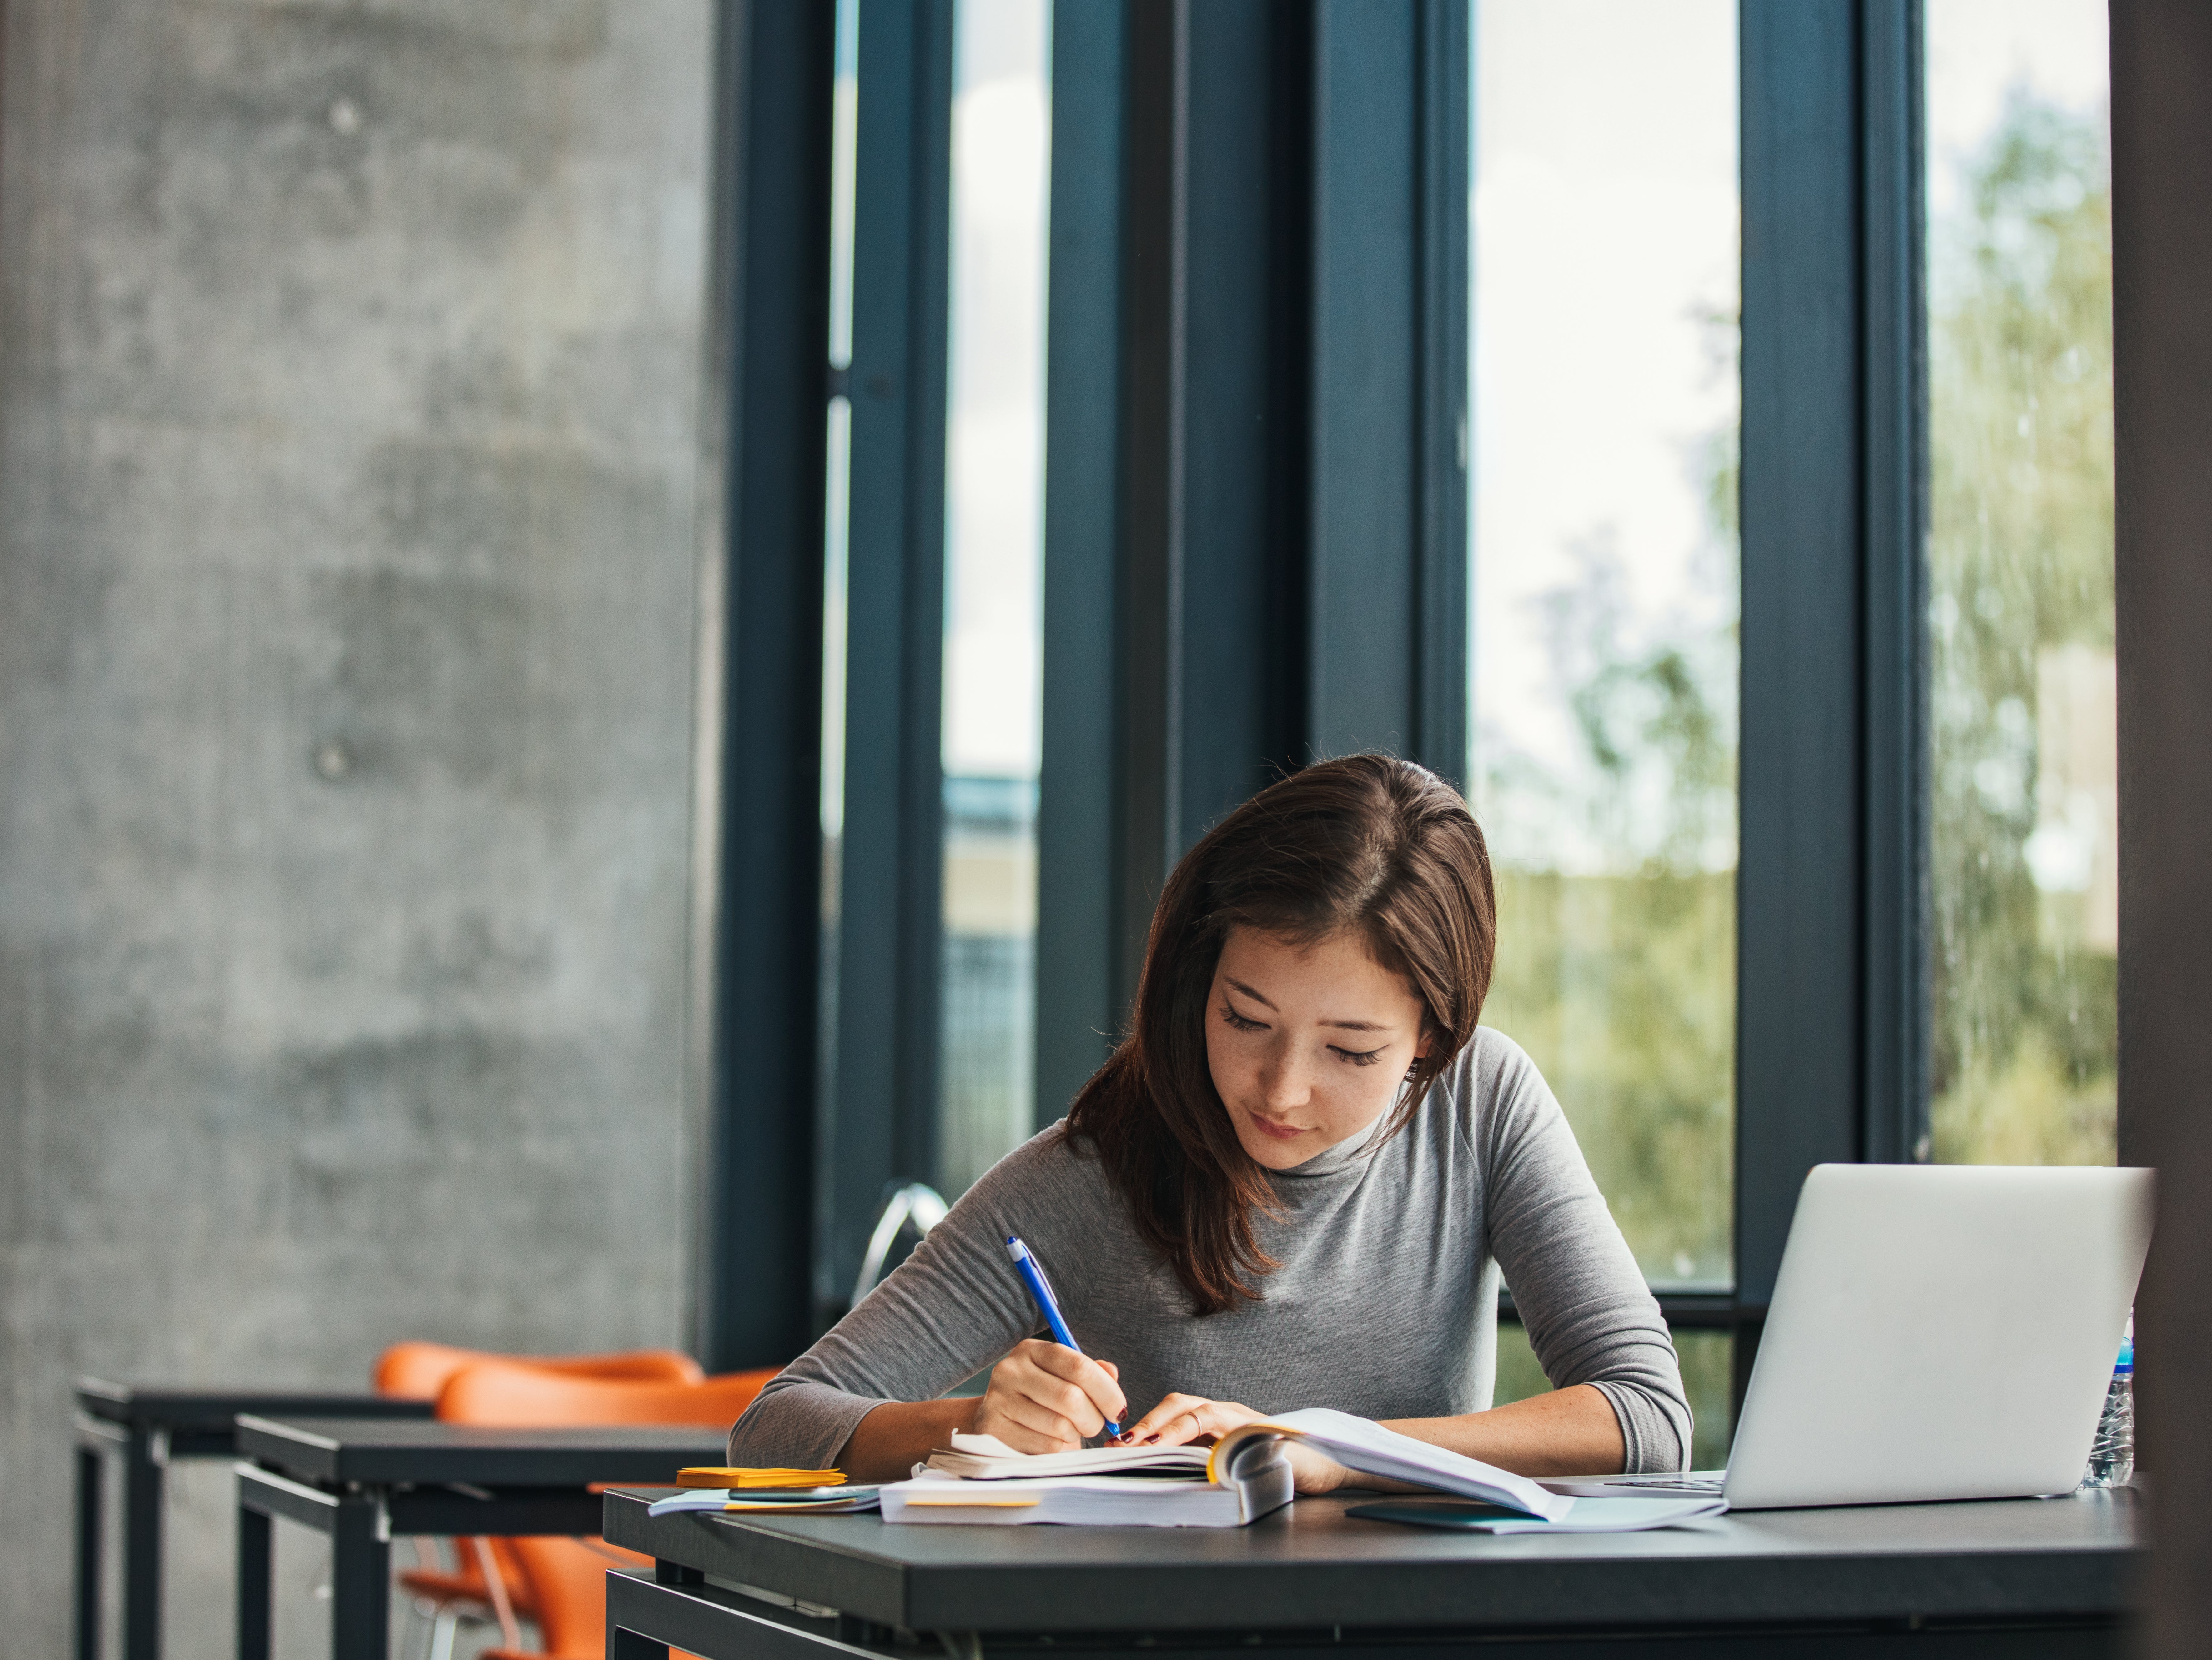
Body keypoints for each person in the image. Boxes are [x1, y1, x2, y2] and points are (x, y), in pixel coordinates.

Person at [729, 755, 1691, 1490]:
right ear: (1197, 980)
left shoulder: (1480, 1103)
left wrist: (1320, 1446)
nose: (1279, 1091)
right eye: (1244, 1019)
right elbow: (773, 1427)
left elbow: (1644, 1416)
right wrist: (971, 1423)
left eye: (1349, 1053)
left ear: (1432, 1041)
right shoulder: (1089, 1173)